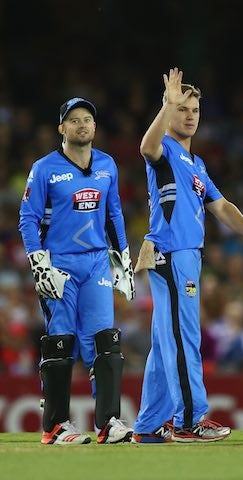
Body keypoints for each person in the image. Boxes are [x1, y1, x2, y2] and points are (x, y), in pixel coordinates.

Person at [132, 68, 243, 444]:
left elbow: (222, 205)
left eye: (195, 109)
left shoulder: (196, 165)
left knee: (166, 341)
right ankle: (189, 421)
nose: (190, 115)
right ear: (170, 111)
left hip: (187, 256)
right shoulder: (164, 150)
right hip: (170, 252)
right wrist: (166, 103)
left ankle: (150, 425)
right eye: (183, 109)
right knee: (184, 337)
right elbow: (145, 148)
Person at [18, 97, 136, 445]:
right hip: (60, 264)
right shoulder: (44, 168)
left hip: (97, 261)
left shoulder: (107, 165)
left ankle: (109, 423)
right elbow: (27, 218)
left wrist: (122, 258)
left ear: (95, 127)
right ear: (61, 128)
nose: (82, 125)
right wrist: (39, 263)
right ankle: (55, 426)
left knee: (105, 340)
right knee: (61, 341)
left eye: (87, 119)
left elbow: (114, 213)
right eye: (73, 120)